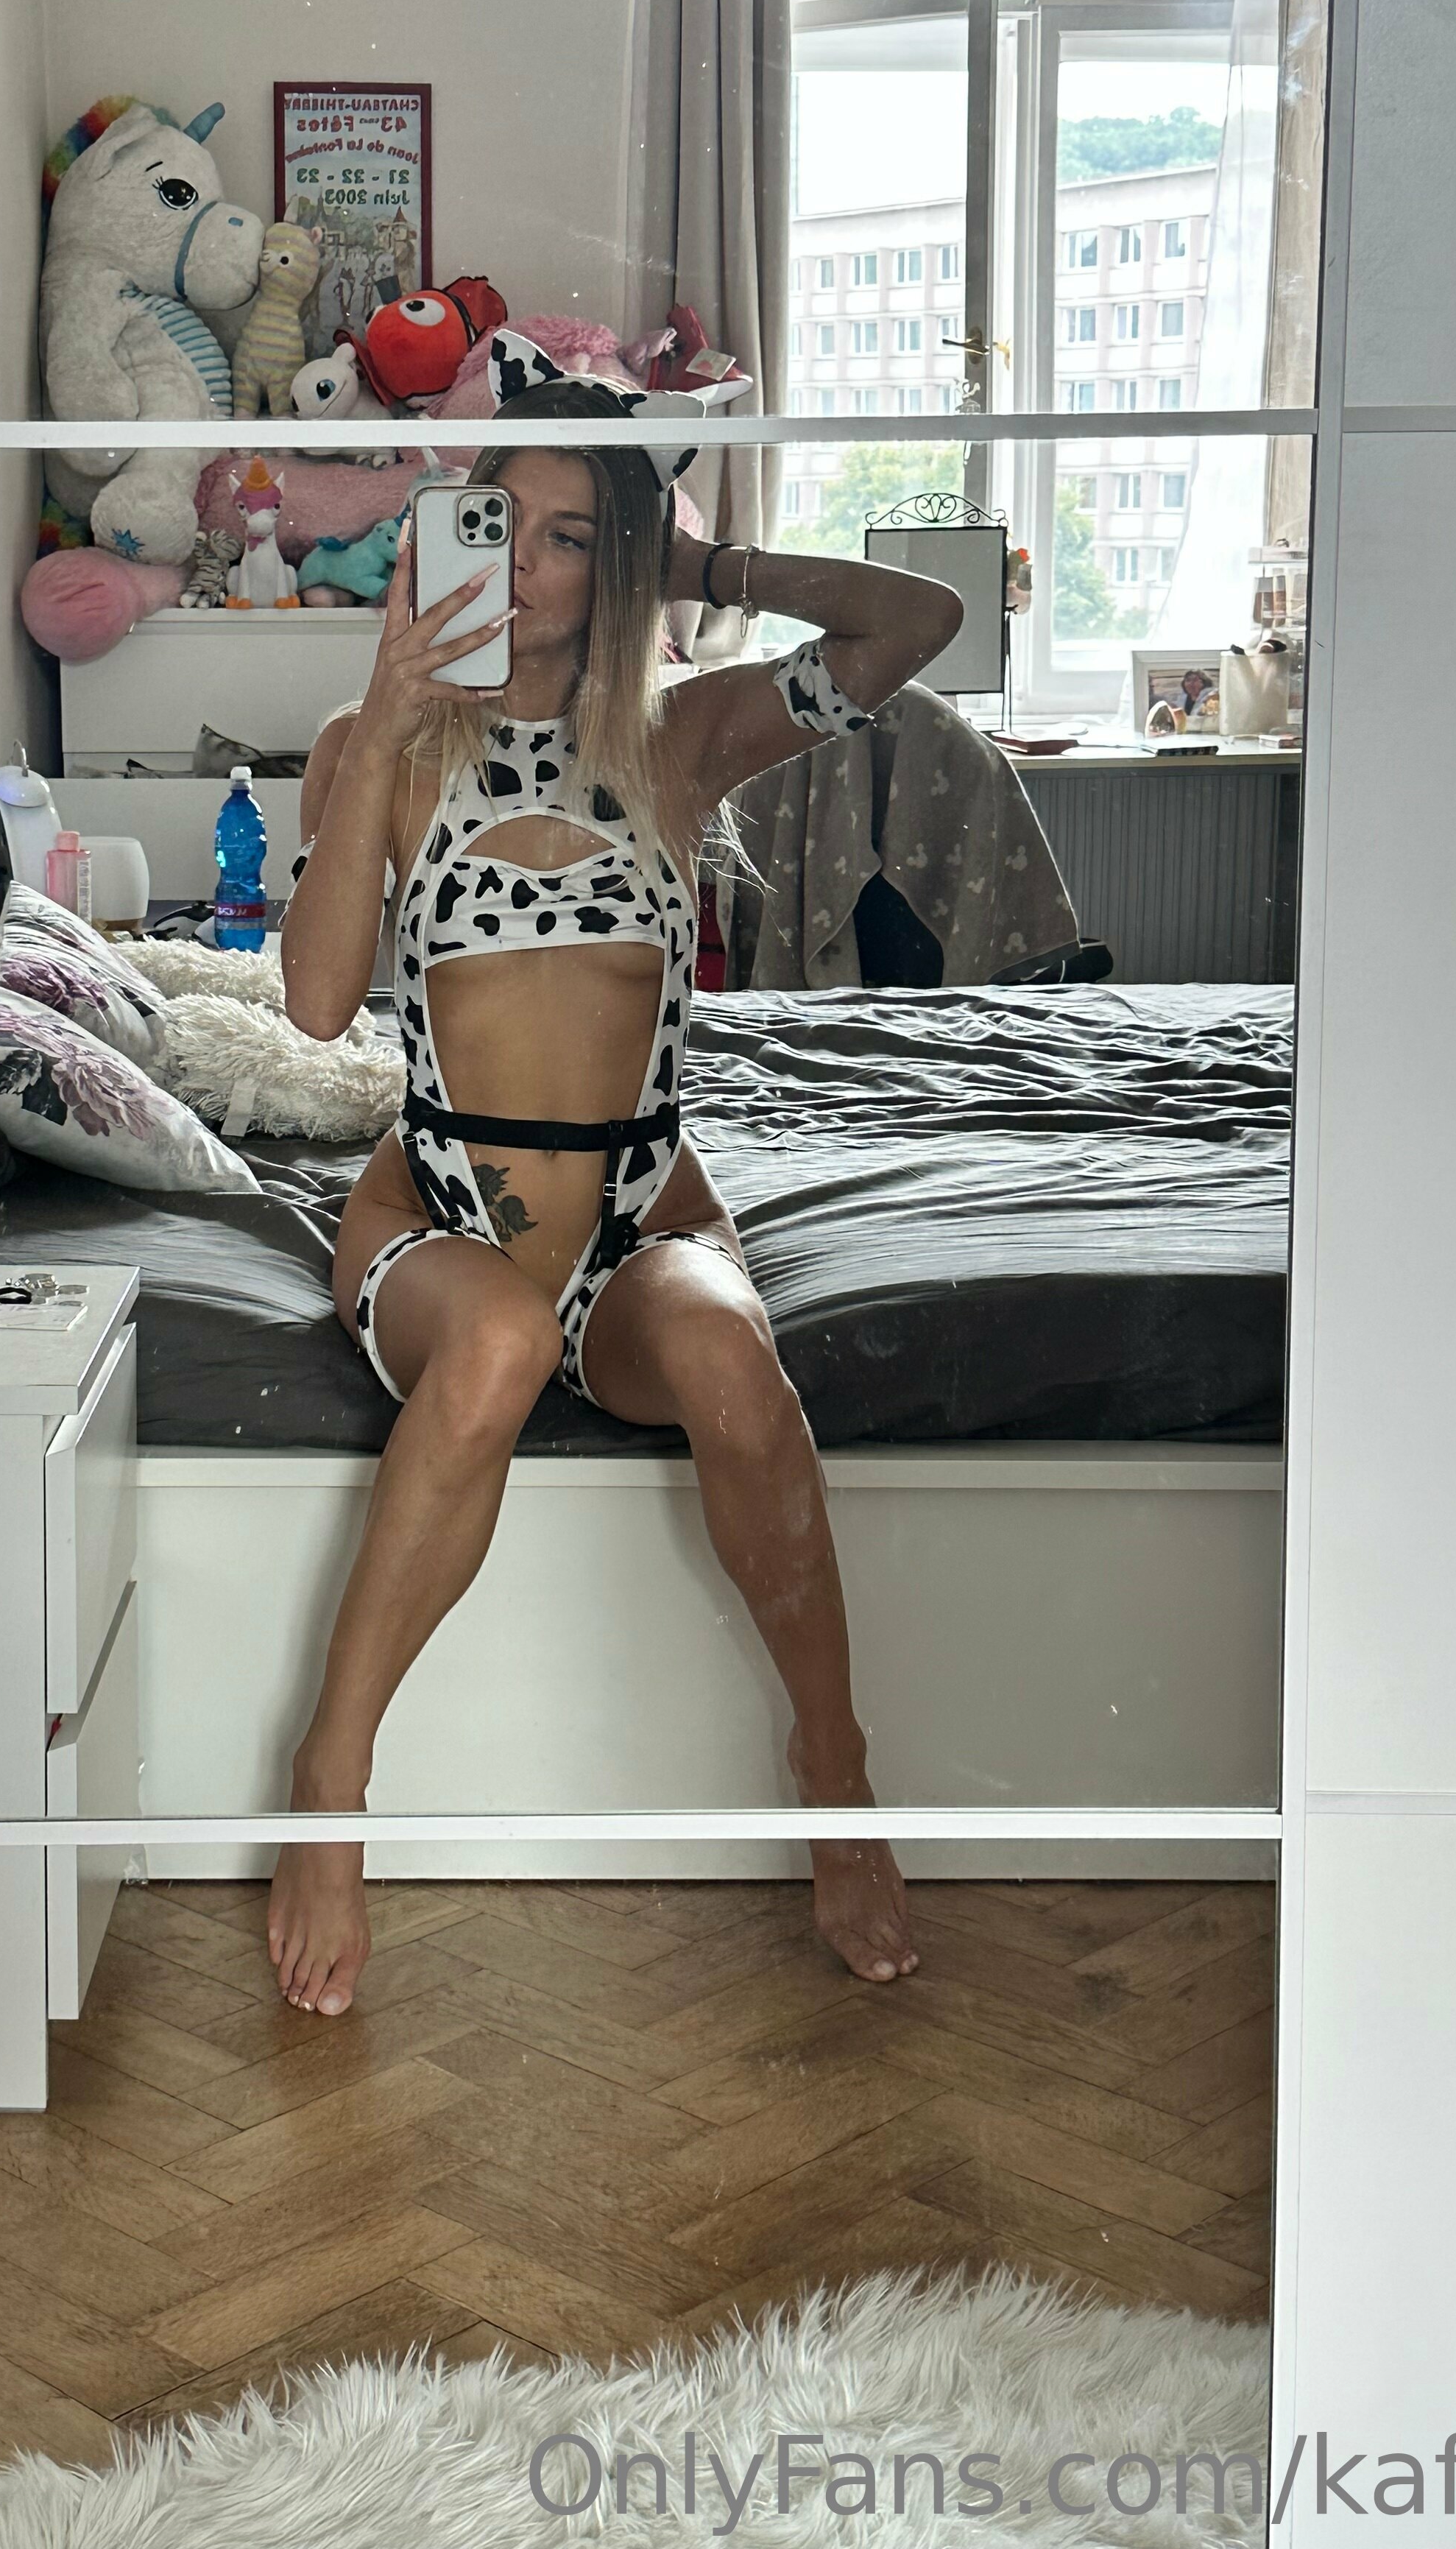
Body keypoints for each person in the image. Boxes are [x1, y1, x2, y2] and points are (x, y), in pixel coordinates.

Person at [272, 342, 964, 2016]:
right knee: (499, 1343)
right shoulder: (377, 746)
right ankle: (327, 1791)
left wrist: (707, 570)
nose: (522, 568)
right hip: (442, 1220)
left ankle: (835, 1770)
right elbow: (313, 1004)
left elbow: (916, 623)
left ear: (618, 569)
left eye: (573, 538)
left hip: (644, 1210)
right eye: (499, 523)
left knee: (734, 1361)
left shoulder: (681, 739)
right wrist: (384, 710)